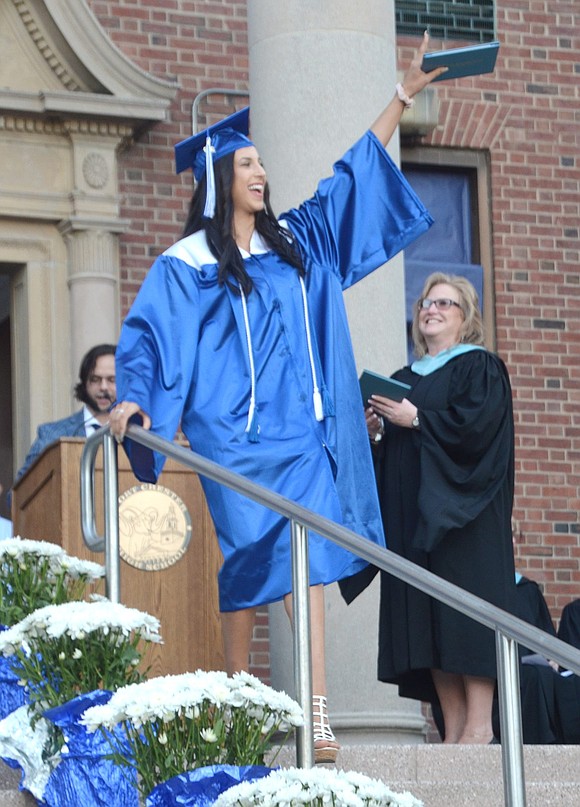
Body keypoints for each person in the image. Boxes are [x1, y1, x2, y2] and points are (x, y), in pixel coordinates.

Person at [110, 34, 446, 763]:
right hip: (231, 439)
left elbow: (352, 180)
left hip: (301, 439)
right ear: (218, 179)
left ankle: (316, 715)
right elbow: (150, 340)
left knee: (311, 566)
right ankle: (238, 697)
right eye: (246, 163)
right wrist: (135, 400)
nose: (261, 171)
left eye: (262, 161)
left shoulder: (298, 243)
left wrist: (402, 96)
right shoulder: (188, 266)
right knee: (250, 565)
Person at [364, 272, 517, 745]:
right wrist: (377, 432)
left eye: (445, 304)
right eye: (426, 303)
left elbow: (477, 435)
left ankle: (478, 730)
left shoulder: (480, 368)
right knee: (431, 623)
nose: (431, 309)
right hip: (415, 525)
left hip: (464, 523)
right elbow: (392, 460)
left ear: (466, 317)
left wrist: (419, 419)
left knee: (465, 619)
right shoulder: (404, 380)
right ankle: (453, 733)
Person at [14, 344, 117, 484]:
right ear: (85, 383)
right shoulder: (52, 435)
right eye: (95, 379)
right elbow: (18, 496)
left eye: (112, 380)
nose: (103, 387)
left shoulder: (140, 434)